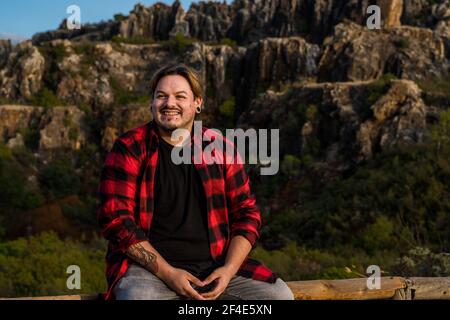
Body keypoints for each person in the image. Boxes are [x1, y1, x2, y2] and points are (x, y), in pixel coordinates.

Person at [97, 63, 294, 300]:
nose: (169, 103)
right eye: (161, 96)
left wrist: (228, 270)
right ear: (152, 102)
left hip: (216, 265)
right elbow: (117, 221)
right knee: (138, 298)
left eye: (180, 96)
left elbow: (247, 214)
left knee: (279, 296)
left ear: (197, 103)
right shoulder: (129, 148)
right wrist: (169, 274)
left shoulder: (221, 148)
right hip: (151, 270)